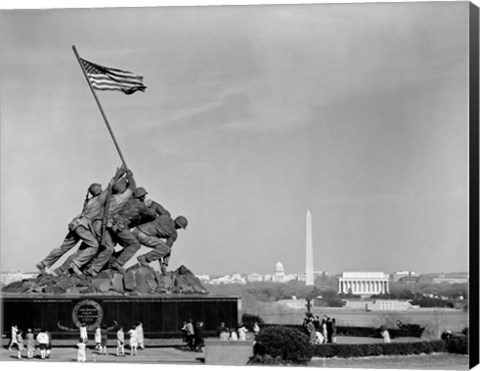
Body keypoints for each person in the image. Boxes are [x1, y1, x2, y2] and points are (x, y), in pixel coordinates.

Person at [36, 167, 126, 275]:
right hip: (82, 227)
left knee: (63, 248)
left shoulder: (89, 201)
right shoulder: (99, 200)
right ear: (99, 191)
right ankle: (76, 263)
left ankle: (44, 263)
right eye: (101, 190)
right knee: (94, 246)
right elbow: (109, 187)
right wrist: (118, 175)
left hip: (75, 224)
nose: (103, 190)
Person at [106, 186, 158, 270]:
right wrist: (153, 205)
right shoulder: (140, 205)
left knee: (127, 245)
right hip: (120, 226)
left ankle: (112, 259)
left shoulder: (128, 201)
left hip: (112, 223)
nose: (145, 197)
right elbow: (152, 214)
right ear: (141, 196)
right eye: (144, 196)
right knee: (135, 244)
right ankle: (118, 263)